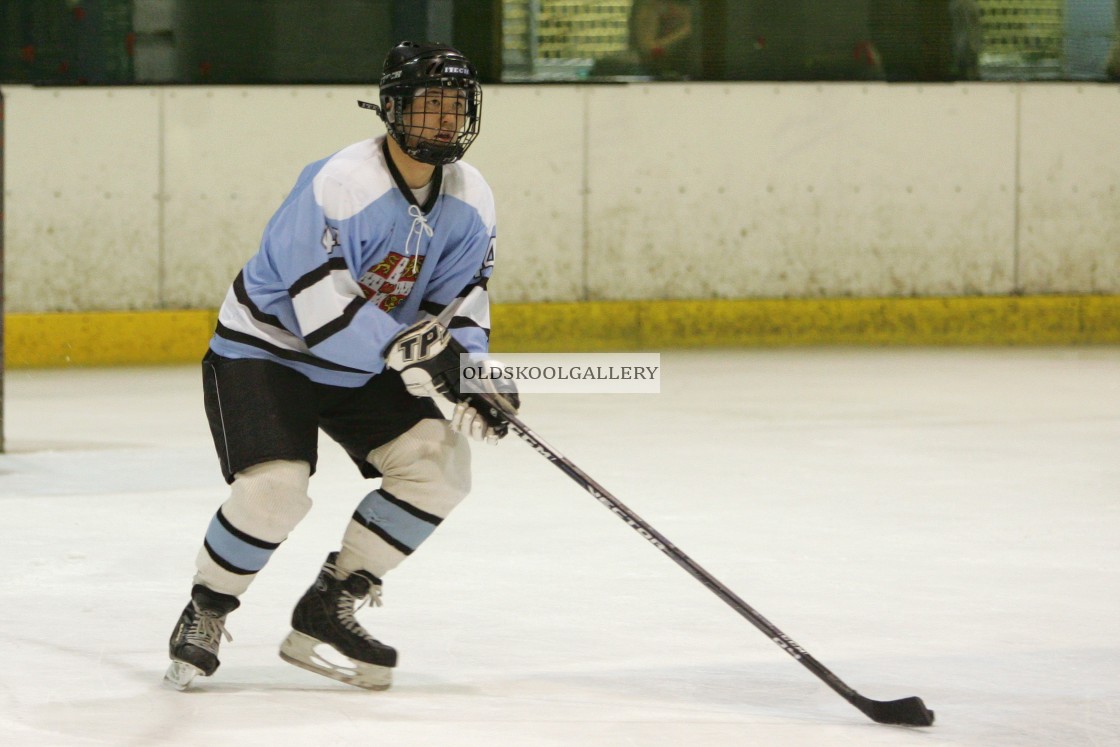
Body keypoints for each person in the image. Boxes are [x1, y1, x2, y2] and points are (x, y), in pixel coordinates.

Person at [164, 40, 518, 692]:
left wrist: (472, 375)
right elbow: (322, 317)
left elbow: (460, 304)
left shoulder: (472, 198)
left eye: (456, 105)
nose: (444, 119)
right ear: (390, 108)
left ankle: (332, 600)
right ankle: (208, 605)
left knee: (439, 468)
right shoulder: (340, 183)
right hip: (268, 352)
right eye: (429, 104)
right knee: (274, 491)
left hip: (368, 354)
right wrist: (423, 361)